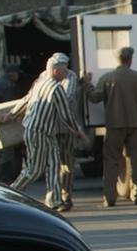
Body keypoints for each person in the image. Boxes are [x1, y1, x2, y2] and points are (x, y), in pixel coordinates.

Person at [7, 53, 84, 212]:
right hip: (39, 132)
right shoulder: (56, 88)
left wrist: (12, 114)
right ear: (55, 71)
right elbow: (65, 113)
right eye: (63, 70)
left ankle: (54, 200)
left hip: (45, 132)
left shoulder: (40, 83)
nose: (66, 73)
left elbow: (26, 99)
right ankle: (11, 193)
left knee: (54, 165)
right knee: (34, 169)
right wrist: (77, 130)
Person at [87, 45, 137, 207]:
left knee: (111, 160)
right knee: (135, 160)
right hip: (135, 123)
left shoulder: (107, 78)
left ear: (117, 59)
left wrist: (87, 85)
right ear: (131, 60)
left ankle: (110, 197)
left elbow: (94, 98)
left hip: (114, 124)